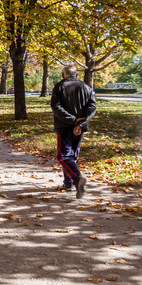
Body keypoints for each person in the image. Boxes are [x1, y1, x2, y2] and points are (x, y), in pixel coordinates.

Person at [50, 64, 96, 198]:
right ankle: (68, 183)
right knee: (72, 157)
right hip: (79, 127)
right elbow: (92, 107)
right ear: (77, 74)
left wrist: (72, 120)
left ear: (63, 74)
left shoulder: (59, 86)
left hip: (64, 126)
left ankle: (76, 179)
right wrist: (80, 122)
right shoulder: (87, 87)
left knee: (64, 156)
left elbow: (55, 107)